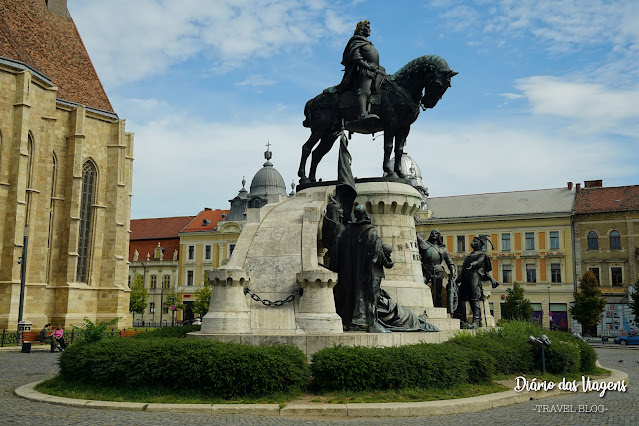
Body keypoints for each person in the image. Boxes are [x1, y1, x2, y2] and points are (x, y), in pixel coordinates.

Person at [331, 204, 391, 332]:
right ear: (366, 214)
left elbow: (336, 252)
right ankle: (372, 324)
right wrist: (387, 262)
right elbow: (376, 254)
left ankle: (349, 322)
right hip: (366, 272)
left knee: (350, 295)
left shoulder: (345, 231)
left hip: (347, 272)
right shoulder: (371, 231)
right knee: (370, 296)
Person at [338, 20, 382, 120]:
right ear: (361, 29)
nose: (369, 30)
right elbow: (355, 57)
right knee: (364, 91)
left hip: (375, 69)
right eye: (367, 27)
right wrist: (367, 66)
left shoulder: (367, 43)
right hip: (364, 70)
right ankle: (363, 114)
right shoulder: (356, 41)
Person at [454, 236, 499, 327]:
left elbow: (479, 262)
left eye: (475, 241)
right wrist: (457, 279)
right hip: (465, 277)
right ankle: (461, 319)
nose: (472, 242)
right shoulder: (469, 255)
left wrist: (472, 264)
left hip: (474, 276)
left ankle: (476, 321)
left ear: (479, 244)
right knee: (462, 298)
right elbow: (463, 269)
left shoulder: (482, 255)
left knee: (474, 299)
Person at [418, 230, 456, 309]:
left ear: (439, 236)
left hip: (438, 270)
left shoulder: (443, 249)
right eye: (432, 233)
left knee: (437, 292)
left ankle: (438, 308)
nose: (433, 234)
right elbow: (416, 237)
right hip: (426, 269)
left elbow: (450, 262)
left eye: (436, 233)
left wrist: (452, 271)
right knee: (420, 285)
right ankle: (420, 304)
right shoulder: (424, 244)